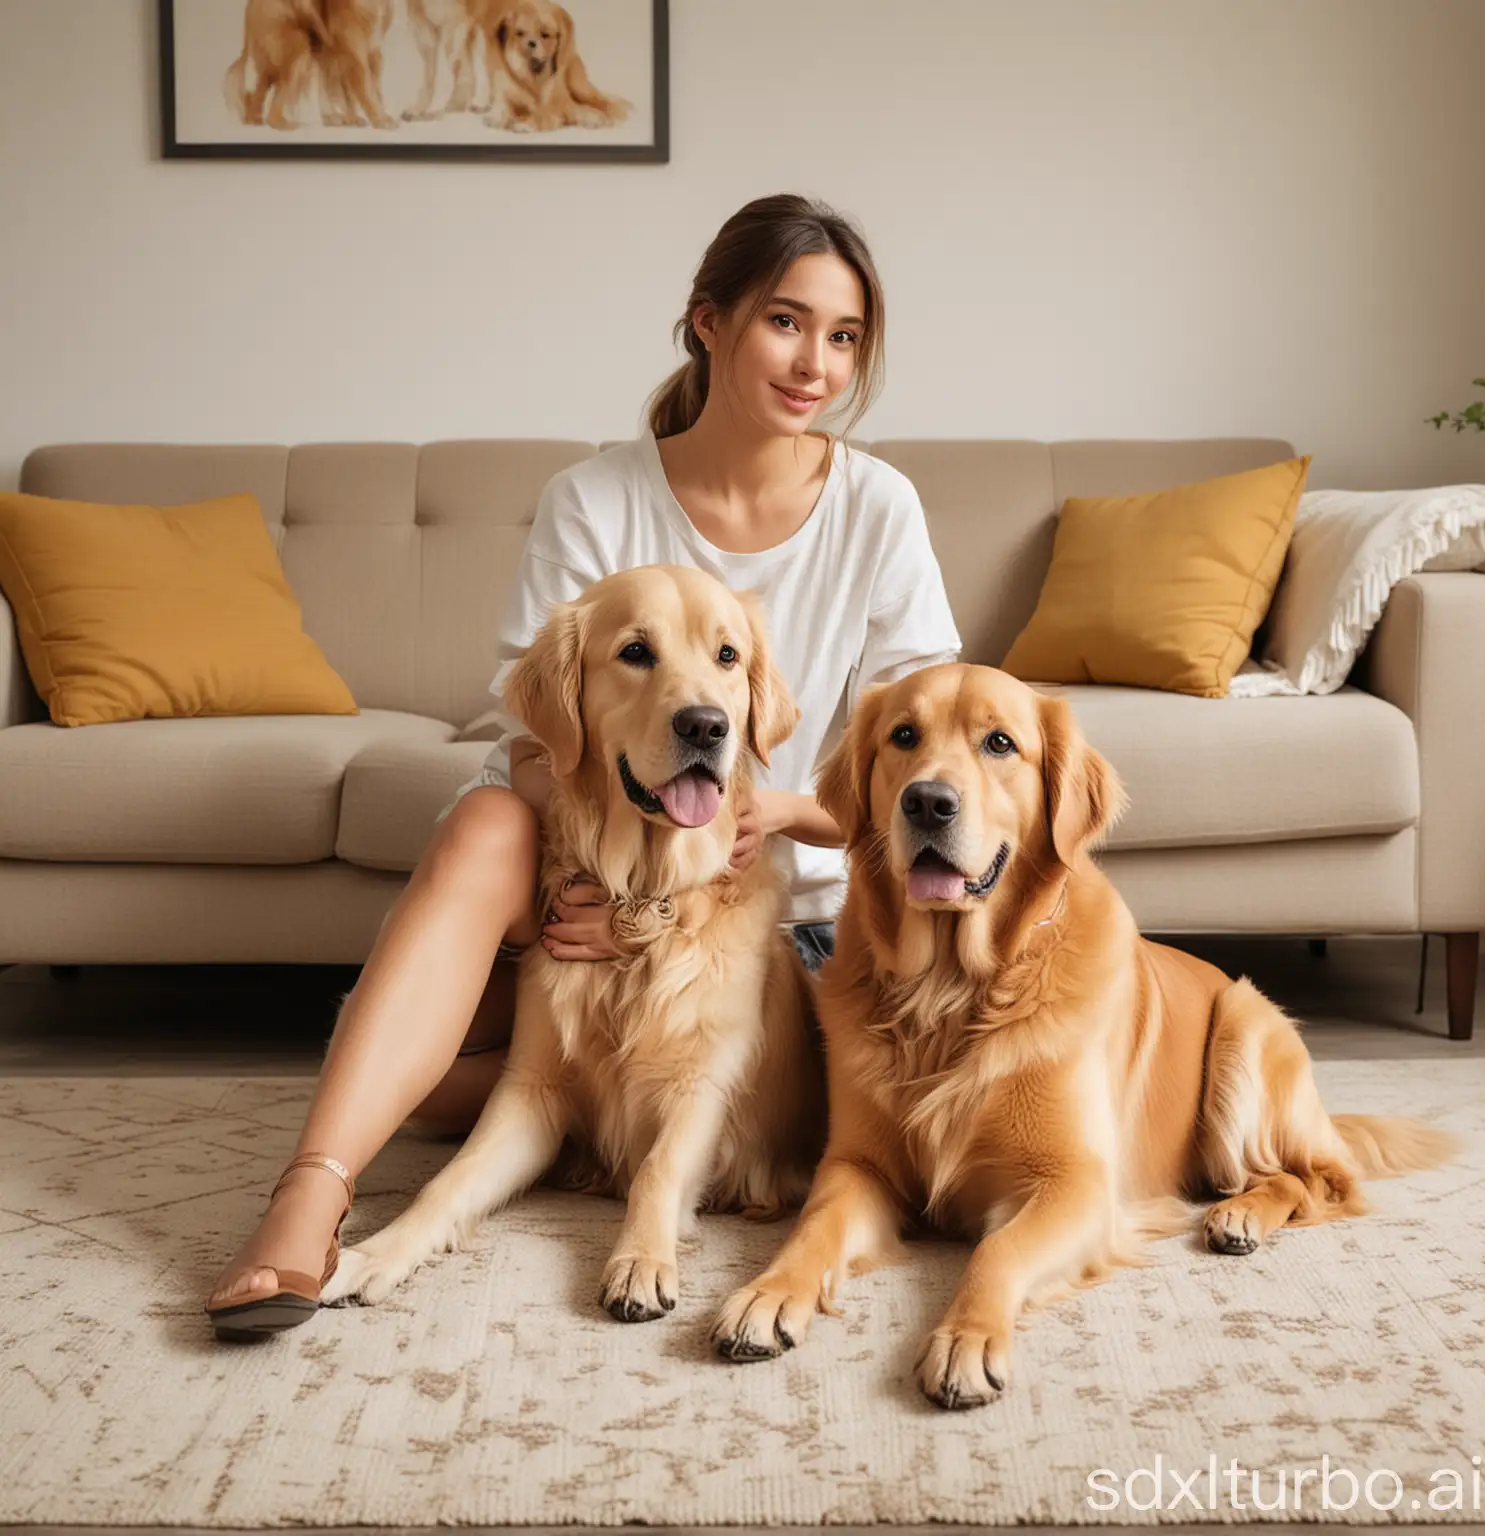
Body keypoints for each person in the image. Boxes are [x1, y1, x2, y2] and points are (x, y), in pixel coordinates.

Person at [205, 191, 962, 1338]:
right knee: (485, 822)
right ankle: (312, 1191)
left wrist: (764, 828)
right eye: (786, 322)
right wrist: (623, 893)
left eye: (845, 336)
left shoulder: (879, 508)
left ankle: (424, 1067)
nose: (817, 364)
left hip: (783, 909)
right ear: (707, 324)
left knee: (809, 1097)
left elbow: (932, 744)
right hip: (589, 862)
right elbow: (534, 743)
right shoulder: (596, 499)